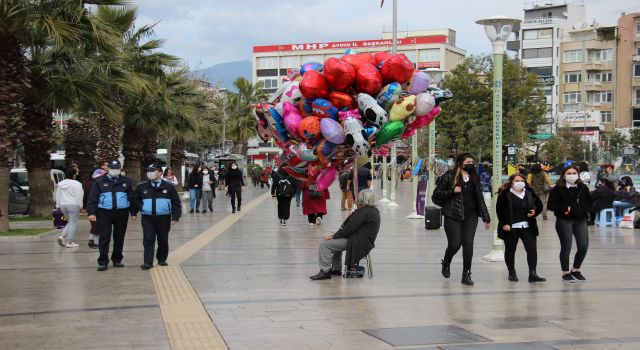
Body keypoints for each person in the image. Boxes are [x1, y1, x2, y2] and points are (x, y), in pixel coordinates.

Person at [432, 153, 491, 286]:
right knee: (455, 244)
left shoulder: (474, 178)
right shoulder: (449, 177)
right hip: (453, 215)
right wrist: (452, 191)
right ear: (460, 163)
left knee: (468, 244)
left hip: (471, 216)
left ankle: (467, 274)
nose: (471, 164)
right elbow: (435, 195)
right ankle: (446, 262)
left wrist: (486, 217)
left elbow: (480, 199)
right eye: (469, 162)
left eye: (472, 162)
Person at [310, 189, 381, 280]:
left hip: (356, 241)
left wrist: (333, 236)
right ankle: (336, 269)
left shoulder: (364, 211)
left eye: (358, 198)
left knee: (325, 245)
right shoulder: (372, 211)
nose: (356, 199)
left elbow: (349, 228)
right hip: (363, 241)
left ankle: (325, 271)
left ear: (363, 199)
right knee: (334, 243)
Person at [87, 160, 136, 271]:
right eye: (112, 168)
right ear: (107, 169)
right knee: (104, 237)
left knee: (119, 237)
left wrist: (133, 212)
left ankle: (117, 259)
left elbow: (132, 198)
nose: (115, 170)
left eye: (117, 168)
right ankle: (103, 261)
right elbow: (92, 199)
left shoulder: (127, 181)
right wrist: (91, 213)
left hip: (121, 213)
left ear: (120, 169)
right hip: (104, 213)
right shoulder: (99, 181)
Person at [496, 173, 545, 283]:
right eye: (517, 180)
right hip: (511, 226)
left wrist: (535, 212)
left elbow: (539, 205)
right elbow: (500, 210)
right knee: (510, 250)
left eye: (522, 180)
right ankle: (511, 272)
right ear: (511, 182)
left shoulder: (529, 192)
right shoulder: (505, 194)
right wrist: (504, 223)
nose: (520, 182)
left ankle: (533, 273)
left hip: (527, 225)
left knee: (532, 249)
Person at [547, 166, 592, 283]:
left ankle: (576, 269)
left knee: (583, 246)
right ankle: (565, 272)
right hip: (564, 220)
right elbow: (551, 205)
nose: (572, 175)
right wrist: (565, 208)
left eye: (574, 173)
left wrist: (583, 209)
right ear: (564, 175)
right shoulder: (558, 189)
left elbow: (589, 202)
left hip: (580, 220)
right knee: (566, 246)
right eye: (569, 173)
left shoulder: (583, 187)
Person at [133, 163, 182, 270]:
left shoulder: (169, 187)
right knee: (148, 238)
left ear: (160, 173)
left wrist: (176, 216)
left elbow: (176, 202)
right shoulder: (142, 187)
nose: (150, 173)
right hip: (147, 217)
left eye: (153, 171)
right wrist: (136, 211)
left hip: (164, 217)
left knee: (163, 239)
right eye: (149, 171)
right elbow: (135, 199)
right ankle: (148, 262)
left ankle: (162, 259)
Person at [55, 168, 84, 248]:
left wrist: (58, 205)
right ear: (74, 175)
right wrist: (81, 206)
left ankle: (62, 236)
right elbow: (79, 195)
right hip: (74, 204)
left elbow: (58, 195)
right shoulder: (77, 184)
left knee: (70, 222)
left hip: (63, 205)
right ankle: (70, 242)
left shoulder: (60, 184)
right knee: (73, 223)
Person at [84, 164, 107, 248]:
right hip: (97, 206)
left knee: (94, 225)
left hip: (90, 207)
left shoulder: (88, 183)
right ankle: (96, 242)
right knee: (97, 225)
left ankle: (91, 239)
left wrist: (84, 206)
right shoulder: (98, 184)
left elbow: (85, 196)